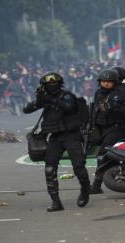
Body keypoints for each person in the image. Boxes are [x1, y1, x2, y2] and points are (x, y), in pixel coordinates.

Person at [23, 72, 90, 212]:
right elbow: (26, 110)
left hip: (71, 136)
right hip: (55, 137)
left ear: (60, 85)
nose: (52, 87)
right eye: (48, 85)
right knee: (49, 168)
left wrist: (49, 99)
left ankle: (85, 189)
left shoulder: (66, 95)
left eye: (54, 84)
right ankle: (56, 202)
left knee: (79, 167)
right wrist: (38, 100)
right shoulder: (44, 98)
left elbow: (68, 107)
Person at [89, 70, 125, 194]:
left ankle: (96, 184)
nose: (106, 84)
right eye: (104, 81)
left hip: (117, 127)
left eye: (109, 82)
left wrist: (115, 108)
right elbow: (96, 110)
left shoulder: (121, 94)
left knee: (104, 154)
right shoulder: (98, 93)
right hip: (102, 127)